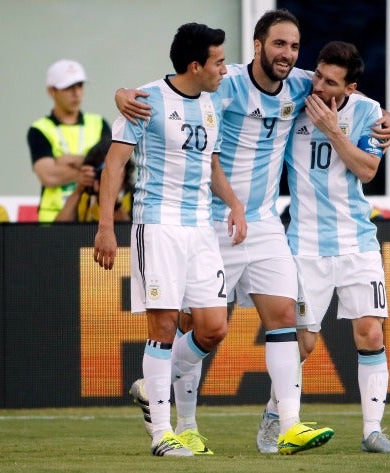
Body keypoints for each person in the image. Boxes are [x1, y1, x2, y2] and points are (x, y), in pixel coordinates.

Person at [116, 8, 390, 455]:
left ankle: (288, 424)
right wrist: (121, 94)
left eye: (294, 46)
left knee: (285, 318)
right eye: (279, 44)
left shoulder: (305, 84)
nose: (287, 54)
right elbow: (169, 90)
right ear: (259, 45)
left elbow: (356, 99)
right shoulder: (223, 81)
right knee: (202, 330)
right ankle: (183, 421)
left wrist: (389, 122)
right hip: (208, 220)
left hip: (264, 222)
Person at [93, 22, 247, 457]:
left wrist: (233, 204)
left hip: (202, 229)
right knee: (162, 327)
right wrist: (106, 227)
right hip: (157, 225)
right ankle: (163, 432)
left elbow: (212, 166)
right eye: (218, 62)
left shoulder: (212, 104)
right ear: (195, 65)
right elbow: (114, 165)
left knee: (213, 327)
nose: (223, 69)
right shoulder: (145, 101)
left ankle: (150, 388)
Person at [279, 41, 390, 454]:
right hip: (304, 244)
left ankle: (373, 431)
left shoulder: (367, 113)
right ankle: (278, 417)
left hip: (356, 241)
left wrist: (335, 131)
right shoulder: (295, 95)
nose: (318, 87)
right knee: (303, 343)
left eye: (330, 82)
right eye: (317, 74)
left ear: (350, 87)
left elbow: (368, 170)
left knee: (370, 332)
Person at [27, 59, 111, 222]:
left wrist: (66, 161)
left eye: (80, 85)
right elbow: (48, 176)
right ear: (52, 91)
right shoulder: (39, 129)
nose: (76, 93)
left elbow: (108, 167)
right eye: (68, 87)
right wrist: (88, 166)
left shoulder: (99, 123)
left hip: (93, 216)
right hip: (53, 219)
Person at [55, 137, 133, 222]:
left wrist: (114, 202)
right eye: (102, 170)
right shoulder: (85, 198)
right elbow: (58, 230)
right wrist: (78, 190)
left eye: (113, 168)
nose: (107, 175)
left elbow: (128, 232)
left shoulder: (136, 197)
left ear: (125, 170)